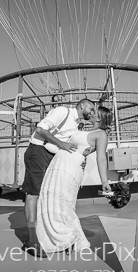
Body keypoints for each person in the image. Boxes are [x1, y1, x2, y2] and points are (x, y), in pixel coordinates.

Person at [22, 98, 96, 256]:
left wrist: (80, 160)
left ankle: (50, 235)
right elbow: (40, 129)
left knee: (48, 195)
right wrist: (61, 144)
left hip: (53, 157)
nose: (92, 111)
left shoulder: (77, 124)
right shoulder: (63, 112)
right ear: (81, 105)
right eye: (91, 108)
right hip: (38, 152)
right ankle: (32, 240)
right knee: (34, 194)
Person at [36, 105, 113, 254]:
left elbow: (101, 158)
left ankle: (69, 238)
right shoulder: (83, 129)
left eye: (94, 111)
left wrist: (104, 181)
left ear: (99, 117)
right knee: (51, 200)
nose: (91, 112)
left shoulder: (101, 134)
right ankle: (59, 238)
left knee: (64, 203)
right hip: (58, 163)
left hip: (70, 167)